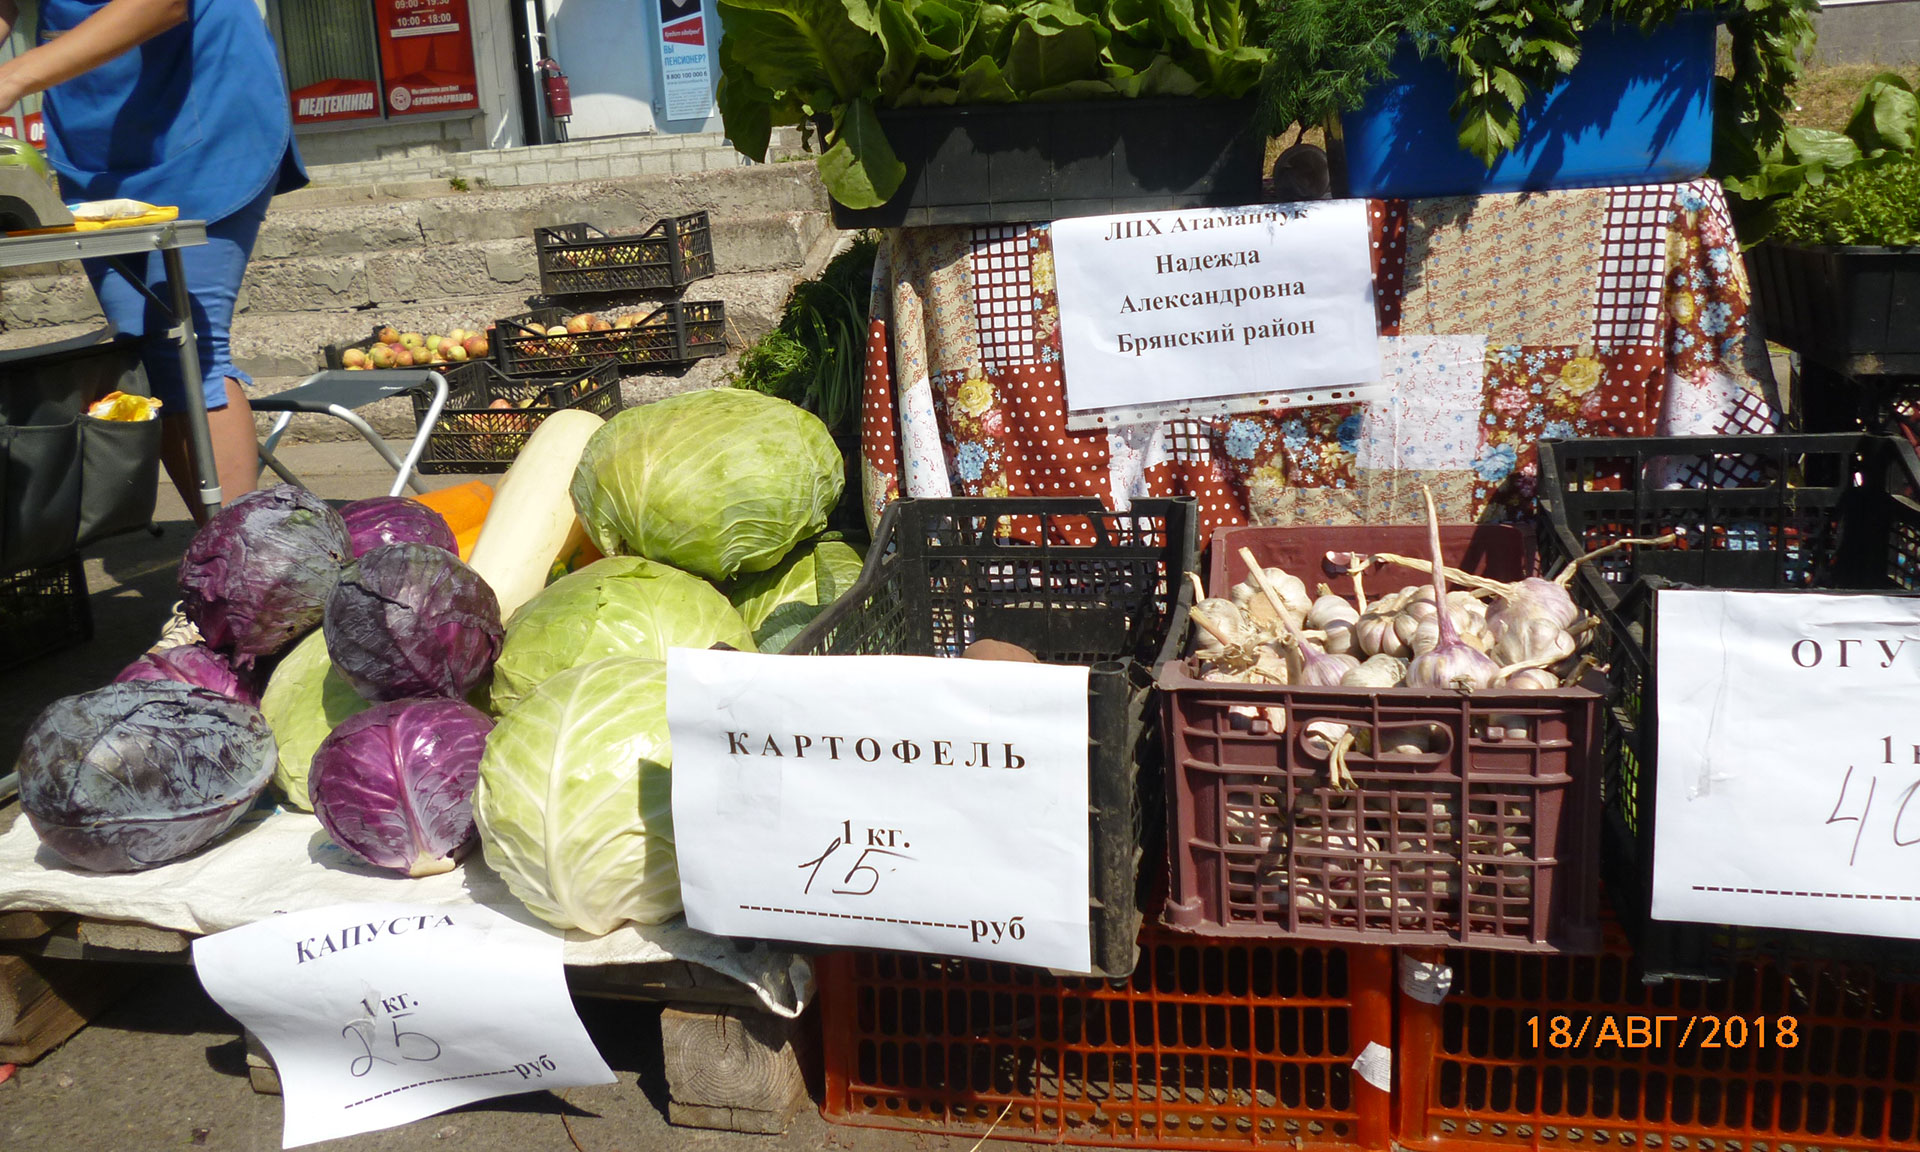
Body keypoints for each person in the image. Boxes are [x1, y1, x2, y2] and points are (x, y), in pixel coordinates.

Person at [0, 0, 307, 520]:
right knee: (143, 356)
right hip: (96, 129)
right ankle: (222, 543)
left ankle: (248, 553)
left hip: (202, 100)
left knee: (189, 351)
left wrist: (12, 77)